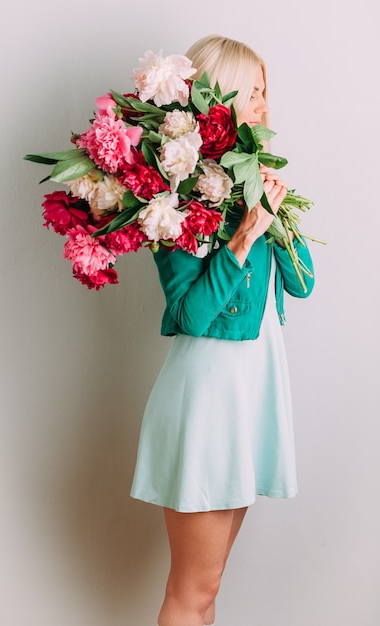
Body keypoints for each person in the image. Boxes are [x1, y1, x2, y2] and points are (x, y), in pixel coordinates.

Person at [130, 34, 315, 626]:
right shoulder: (175, 197)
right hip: (208, 398)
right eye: (253, 93)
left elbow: (303, 283)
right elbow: (189, 317)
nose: (264, 107)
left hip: (252, 391)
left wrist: (274, 216)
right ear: (221, 97)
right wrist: (241, 238)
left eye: (266, 94)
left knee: (207, 592)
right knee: (194, 591)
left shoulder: (255, 185)